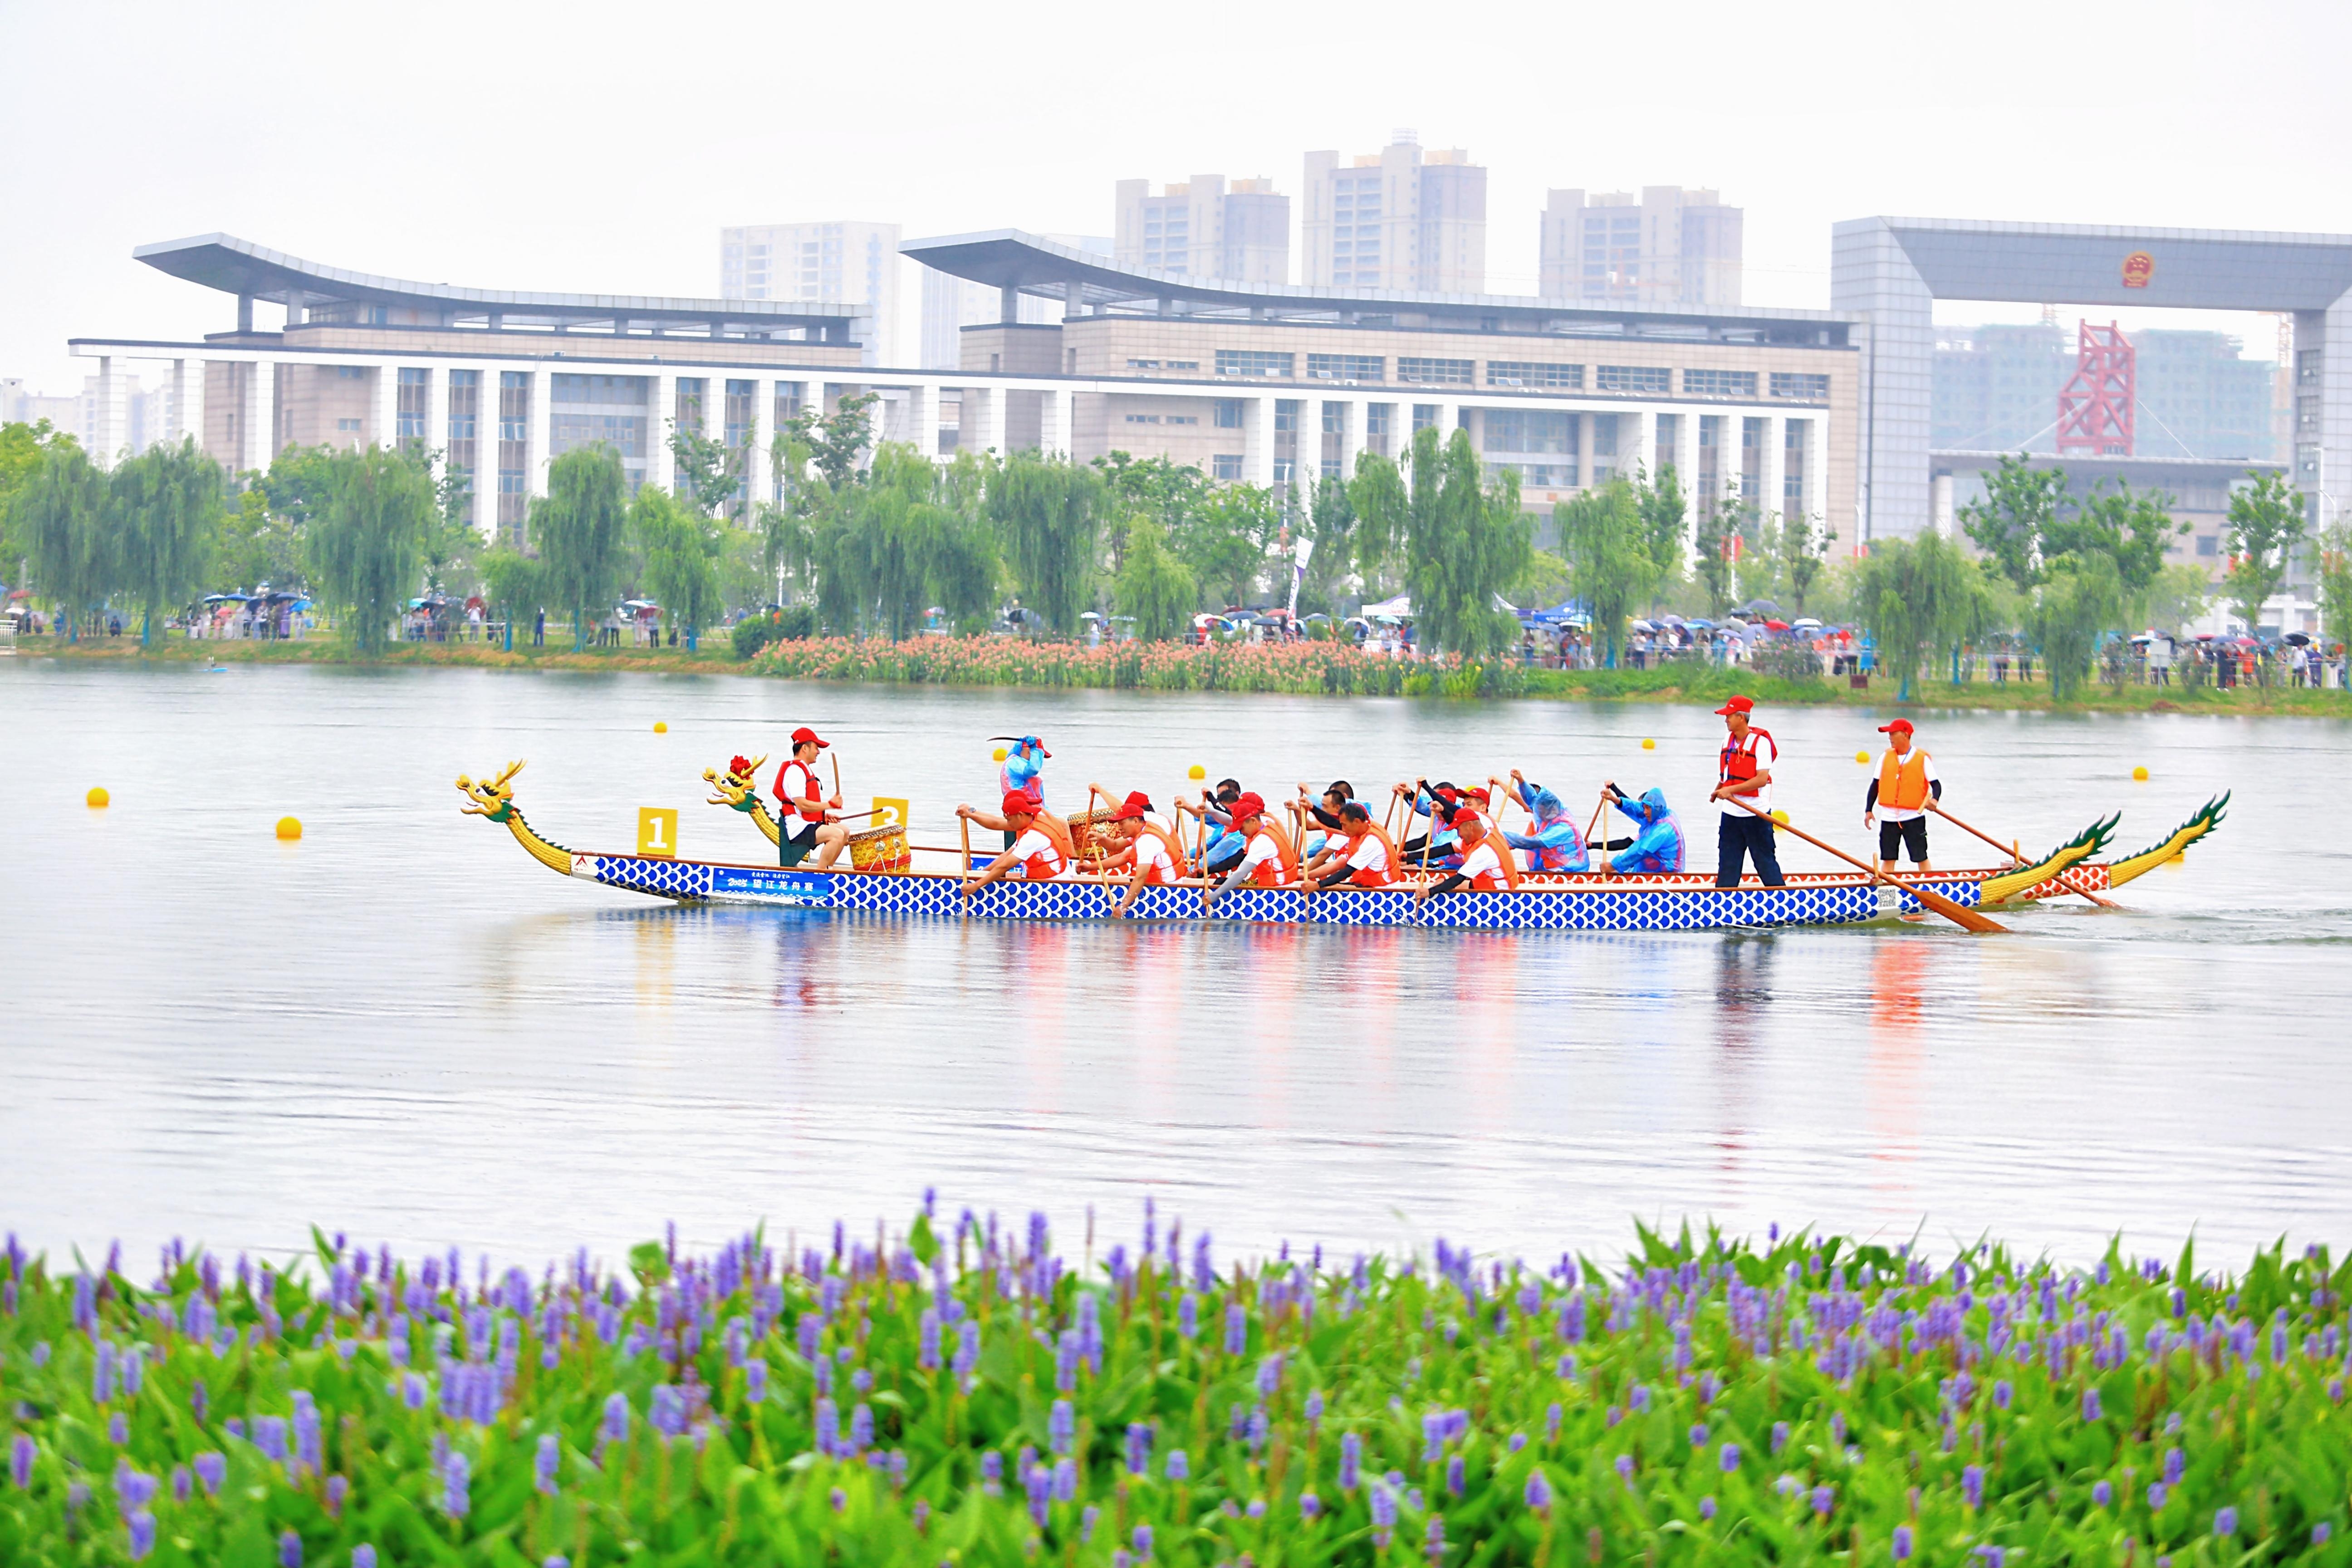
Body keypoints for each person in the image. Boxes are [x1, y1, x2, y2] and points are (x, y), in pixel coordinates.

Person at [1707, 695, 1784, 887]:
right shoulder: (1728, 740)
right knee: (1728, 865)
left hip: (1755, 813)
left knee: (1764, 862)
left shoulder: (1761, 743)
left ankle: (1783, 899)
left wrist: (1731, 790)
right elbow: (1727, 773)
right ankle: (1723, 904)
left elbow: (1761, 779)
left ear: (1741, 717)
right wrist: (1719, 789)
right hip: (1731, 814)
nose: (1726, 720)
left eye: (1729, 716)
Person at [1865, 717, 1941, 875]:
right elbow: (1875, 785)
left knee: (1920, 856)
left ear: (1905, 735)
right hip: (1889, 818)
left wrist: (1934, 800)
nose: (1890, 738)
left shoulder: (1922, 758)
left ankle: (1928, 886)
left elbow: (1936, 785)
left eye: (1893, 733)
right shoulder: (1885, 757)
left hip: (1913, 817)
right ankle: (1886, 889)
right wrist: (1868, 810)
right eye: (1889, 734)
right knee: (1888, 857)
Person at [959, 792, 1070, 898]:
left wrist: (976, 886)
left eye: (1009, 820)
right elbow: (1006, 854)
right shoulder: (1035, 817)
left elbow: (1005, 866)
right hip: (1057, 874)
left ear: (1020, 815)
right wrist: (981, 874)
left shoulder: (1033, 837)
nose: (1008, 824)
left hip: (1055, 886)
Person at [1201, 793, 1299, 911]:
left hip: (1278, 890)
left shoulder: (1262, 841)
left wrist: (1214, 896)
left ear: (1252, 821)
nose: (1241, 833)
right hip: (1281, 881)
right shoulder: (1265, 822)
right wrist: (1212, 811)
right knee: (1223, 881)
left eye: (1241, 828)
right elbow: (1231, 821)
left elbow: (1240, 873)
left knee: (1222, 882)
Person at [772, 726, 851, 868]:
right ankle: (820, 875)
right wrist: (830, 804)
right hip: (797, 828)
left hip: (805, 823)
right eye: (816, 747)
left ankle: (828, 869)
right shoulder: (795, 771)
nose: (819, 752)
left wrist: (824, 816)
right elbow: (802, 805)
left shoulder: (802, 768)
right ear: (804, 748)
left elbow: (804, 807)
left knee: (844, 831)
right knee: (837, 835)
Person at [1101, 795, 1191, 916]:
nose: (1119, 828)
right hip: (1168, 884)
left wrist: (1123, 906)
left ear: (1136, 821)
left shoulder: (1146, 840)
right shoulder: (1145, 829)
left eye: (1122, 823)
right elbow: (1115, 845)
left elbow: (1140, 878)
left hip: (1168, 893)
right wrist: (1100, 838)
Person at [1495, 769, 1589, 873]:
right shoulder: (1544, 818)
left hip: (1568, 872)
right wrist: (1520, 781)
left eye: (1540, 811)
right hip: (1547, 868)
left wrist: (1497, 833)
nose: (1536, 813)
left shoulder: (1564, 828)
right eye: (1537, 810)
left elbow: (1531, 843)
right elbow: (1519, 797)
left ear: (1551, 809)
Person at [1415, 808, 1519, 901]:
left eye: (1459, 830)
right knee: (1441, 882)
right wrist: (1411, 857)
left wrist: (1429, 892)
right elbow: (1445, 849)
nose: (1459, 835)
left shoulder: (1484, 851)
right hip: (1497, 886)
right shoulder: (1490, 833)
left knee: (1441, 885)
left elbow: (1457, 880)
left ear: (1470, 826)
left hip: (1500, 898)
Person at [1309, 802, 1402, 889]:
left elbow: (1347, 872)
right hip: (1369, 885)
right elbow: (1333, 823)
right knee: (1333, 885)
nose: (1343, 830)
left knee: (1332, 886)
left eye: (1344, 825)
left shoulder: (1371, 842)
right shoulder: (1362, 828)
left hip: (1384, 892)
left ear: (1357, 821)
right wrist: (1312, 808)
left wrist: (1318, 885)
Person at [1600, 782, 1686, 874]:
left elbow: (1641, 850)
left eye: (1648, 808)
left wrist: (1613, 865)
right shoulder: (1658, 814)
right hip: (1649, 869)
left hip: (1667, 873)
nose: (1645, 812)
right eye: (1645, 808)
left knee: (1617, 868)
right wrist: (1614, 799)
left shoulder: (1664, 830)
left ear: (1657, 808)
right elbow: (1636, 809)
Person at [997, 736, 1050, 848]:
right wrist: (1035, 749)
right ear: (1029, 752)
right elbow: (1033, 769)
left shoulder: (1020, 763)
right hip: (1019, 814)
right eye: (1041, 756)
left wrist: (1048, 813)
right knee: (1017, 847)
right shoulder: (1015, 763)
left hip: (1028, 813)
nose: (1041, 760)